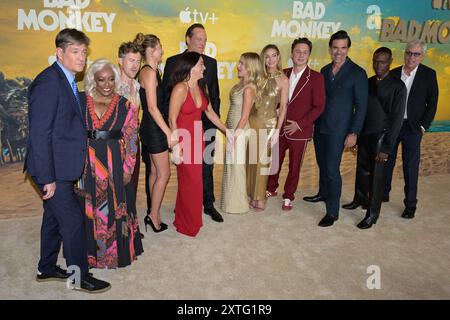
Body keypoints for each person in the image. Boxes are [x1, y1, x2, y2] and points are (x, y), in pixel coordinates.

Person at [24, 28, 110, 292]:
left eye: (84, 52)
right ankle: (79, 276)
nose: (81, 57)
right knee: (73, 222)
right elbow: (40, 133)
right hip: (53, 169)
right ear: (59, 53)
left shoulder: (68, 80)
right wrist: (47, 178)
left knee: (53, 217)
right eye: (75, 51)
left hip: (63, 165)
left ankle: (46, 267)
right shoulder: (49, 82)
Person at [80, 59, 143, 268]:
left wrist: (128, 168)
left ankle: (115, 254)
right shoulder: (81, 101)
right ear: (93, 80)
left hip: (115, 163)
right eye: (101, 80)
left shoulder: (125, 105)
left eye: (110, 79)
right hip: (87, 163)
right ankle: (90, 254)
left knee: (114, 206)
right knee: (89, 206)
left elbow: (132, 139)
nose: (107, 85)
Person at [303, 30, 368, 227]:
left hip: (340, 131)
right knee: (323, 164)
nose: (338, 52)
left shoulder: (357, 73)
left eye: (343, 48)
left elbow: (362, 107)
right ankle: (323, 193)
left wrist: (354, 132)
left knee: (332, 169)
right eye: (335, 48)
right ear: (330, 49)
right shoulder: (323, 71)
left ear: (348, 49)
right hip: (321, 127)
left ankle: (332, 212)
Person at [162, 23, 223, 223]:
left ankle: (207, 204)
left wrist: (221, 128)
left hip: (204, 128)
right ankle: (185, 209)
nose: (202, 44)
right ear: (188, 39)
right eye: (198, 39)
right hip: (182, 131)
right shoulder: (173, 64)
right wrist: (173, 136)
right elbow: (167, 101)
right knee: (189, 176)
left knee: (205, 169)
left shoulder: (209, 66)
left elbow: (213, 99)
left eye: (205, 41)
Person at [345, 47, 407, 229]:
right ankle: (359, 199)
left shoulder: (398, 87)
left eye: (383, 61)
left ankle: (372, 214)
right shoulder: (369, 82)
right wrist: (356, 134)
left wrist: (387, 148)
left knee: (377, 178)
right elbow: (361, 111)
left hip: (382, 137)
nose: (378, 65)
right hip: (365, 134)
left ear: (390, 62)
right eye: (375, 61)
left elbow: (396, 120)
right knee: (362, 171)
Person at [168, 52, 227, 237]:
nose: (204, 67)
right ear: (191, 67)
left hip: (198, 139)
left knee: (193, 181)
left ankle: (184, 217)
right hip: (184, 140)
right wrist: (176, 146)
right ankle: (187, 223)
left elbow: (210, 112)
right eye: (201, 64)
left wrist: (227, 131)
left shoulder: (200, 86)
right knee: (191, 183)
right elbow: (171, 118)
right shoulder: (180, 88)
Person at [266, 38, 325, 211]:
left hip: (300, 130)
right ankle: (271, 188)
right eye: (297, 51)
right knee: (274, 161)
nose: (301, 55)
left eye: (304, 52)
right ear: (292, 53)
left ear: (309, 55)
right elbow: (276, 100)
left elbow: (319, 106)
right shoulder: (282, 73)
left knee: (294, 166)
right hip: (279, 127)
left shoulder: (315, 78)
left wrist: (299, 124)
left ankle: (288, 195)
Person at [383, 40, 439, 219]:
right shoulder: (392, 74)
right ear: (404, 54)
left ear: (422, 56)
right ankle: (383, 194)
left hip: (413, 128)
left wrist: (423, 126)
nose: (411, 57)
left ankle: (410, 205)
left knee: (410, 167)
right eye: (409, 53)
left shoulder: (429, 75)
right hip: (393, 126)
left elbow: (432, 103)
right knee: (386, 162)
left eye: (416, 54)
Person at [135, 33, 175, 233]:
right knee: (164, 173)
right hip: (154, 128)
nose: (162, 50)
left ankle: (153, 211)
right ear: (151, 51)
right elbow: (152, 107)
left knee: (154, 171)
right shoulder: (149, 72)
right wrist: (168, 132)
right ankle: (154, 216)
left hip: (150, 127)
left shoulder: (151, 71)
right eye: (159, 47)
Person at [247, 44, 288, 211]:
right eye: (267, 56)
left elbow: (283, 107)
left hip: (270, 123)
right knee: (251, 160)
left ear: (278, 58)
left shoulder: (283, 79)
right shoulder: (257, 77)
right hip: (253, 121)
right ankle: (251, 194)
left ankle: (260, 198)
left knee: (263, 163)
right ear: (263, 58)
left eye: (274, 55)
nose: (271, 60)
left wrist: (277, 132)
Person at [220, 52, 263, 214]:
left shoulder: (249, 89)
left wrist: (234, 136)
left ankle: (237, 205)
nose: (238, 66)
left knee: (236, 167)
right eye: (240, 62)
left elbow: (244, 116)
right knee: (231, 166)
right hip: (233, 129)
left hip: (239, 131)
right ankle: (230, 201)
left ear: (250, 68)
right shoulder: (240, 85)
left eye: (242, 64)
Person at [117, 40, 145, 240]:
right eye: (130, 60)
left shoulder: (137, 86)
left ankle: (130, 226)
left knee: (131, 187)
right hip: (115, 145)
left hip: (134, 145)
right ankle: (116, 230)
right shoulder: (111, 85)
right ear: (120, 60)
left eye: (138, 60)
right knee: (116, 189)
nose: (135, 65)